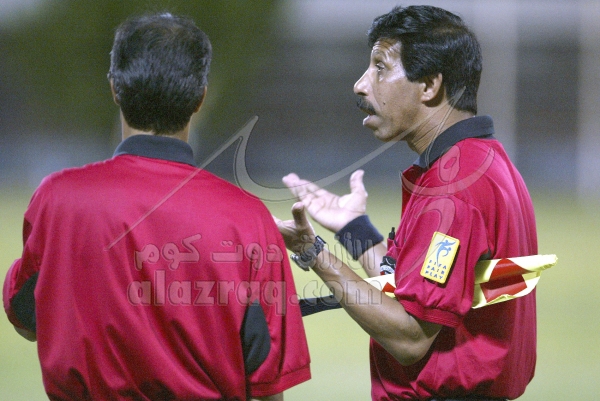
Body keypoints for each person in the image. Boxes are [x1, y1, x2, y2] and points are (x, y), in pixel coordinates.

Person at [3, 12, 310, 401]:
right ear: (200, 98)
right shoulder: (248, 218)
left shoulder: (57, 199)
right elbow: (266, 384)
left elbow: (25, 317)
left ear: (115, 89)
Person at [275, 5, 537, 401]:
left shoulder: (455, 188)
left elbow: (410, 337)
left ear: (429, 85)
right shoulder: (482, 162)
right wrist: (354, 229)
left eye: (380, 68)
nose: (360, 85)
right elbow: (414, 290)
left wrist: (313, 252)